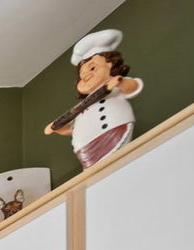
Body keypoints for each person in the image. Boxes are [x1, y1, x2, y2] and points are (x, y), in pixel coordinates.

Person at [44, 29, 143, 170]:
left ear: (110, 65)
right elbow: (72, 128)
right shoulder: (84, 105)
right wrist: (56, 128)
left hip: (112, 134)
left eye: (92, 68)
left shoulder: (113, 89)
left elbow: (134, 86)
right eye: (82, 74)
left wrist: (120, 82)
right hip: (86, 153)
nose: (86, 76)